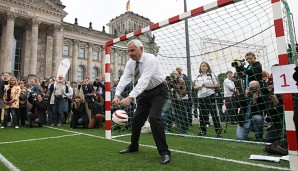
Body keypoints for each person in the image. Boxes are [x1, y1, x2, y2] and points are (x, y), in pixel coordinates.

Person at [112, 39, 171, 164]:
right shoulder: (130, 63)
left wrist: (130, 97)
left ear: (142, 49)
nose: (130, 53)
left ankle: (165, 152)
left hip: (159, 91)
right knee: (137, 119)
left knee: (154, 118)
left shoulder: (151, 59)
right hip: (144, 93)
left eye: (133, 50)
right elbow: (124, 79)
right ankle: (134, 146)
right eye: (128, 51)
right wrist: (117, 94)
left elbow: (144, 80)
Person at [194, 62, 222, 137]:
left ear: (207, 67)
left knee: (214, 114)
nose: (202, 67)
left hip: (210, 96)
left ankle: (218, 130)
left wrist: (208, 86)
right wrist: (197, 87)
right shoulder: (198, 76)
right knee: (202, 114)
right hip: (201, 97)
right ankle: (202, 131)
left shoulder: (211, 75)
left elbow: (218, 85)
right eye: (201, 66)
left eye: (204, 66)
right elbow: (195, 86)